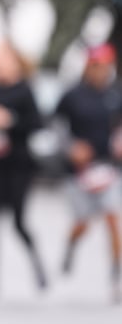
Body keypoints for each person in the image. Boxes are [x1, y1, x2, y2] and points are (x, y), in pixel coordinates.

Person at [0, 40, 48, 301]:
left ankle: (37, 264)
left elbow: (37, 125)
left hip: (20, 165)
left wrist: (10, 120)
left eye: (2, 58)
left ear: (15, 62)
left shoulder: (25, 90)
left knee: (19, 222)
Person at [53, 42, 122, 302]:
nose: (100, 71)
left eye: (104, 65)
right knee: (82, 222)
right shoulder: (72, 95)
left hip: (109, 169)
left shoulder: (115, 95)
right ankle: (70, 247)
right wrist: (71, 147)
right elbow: (56, 127)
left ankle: (116, 277)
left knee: (113, 218)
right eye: (95, 65)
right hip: (79, 173)